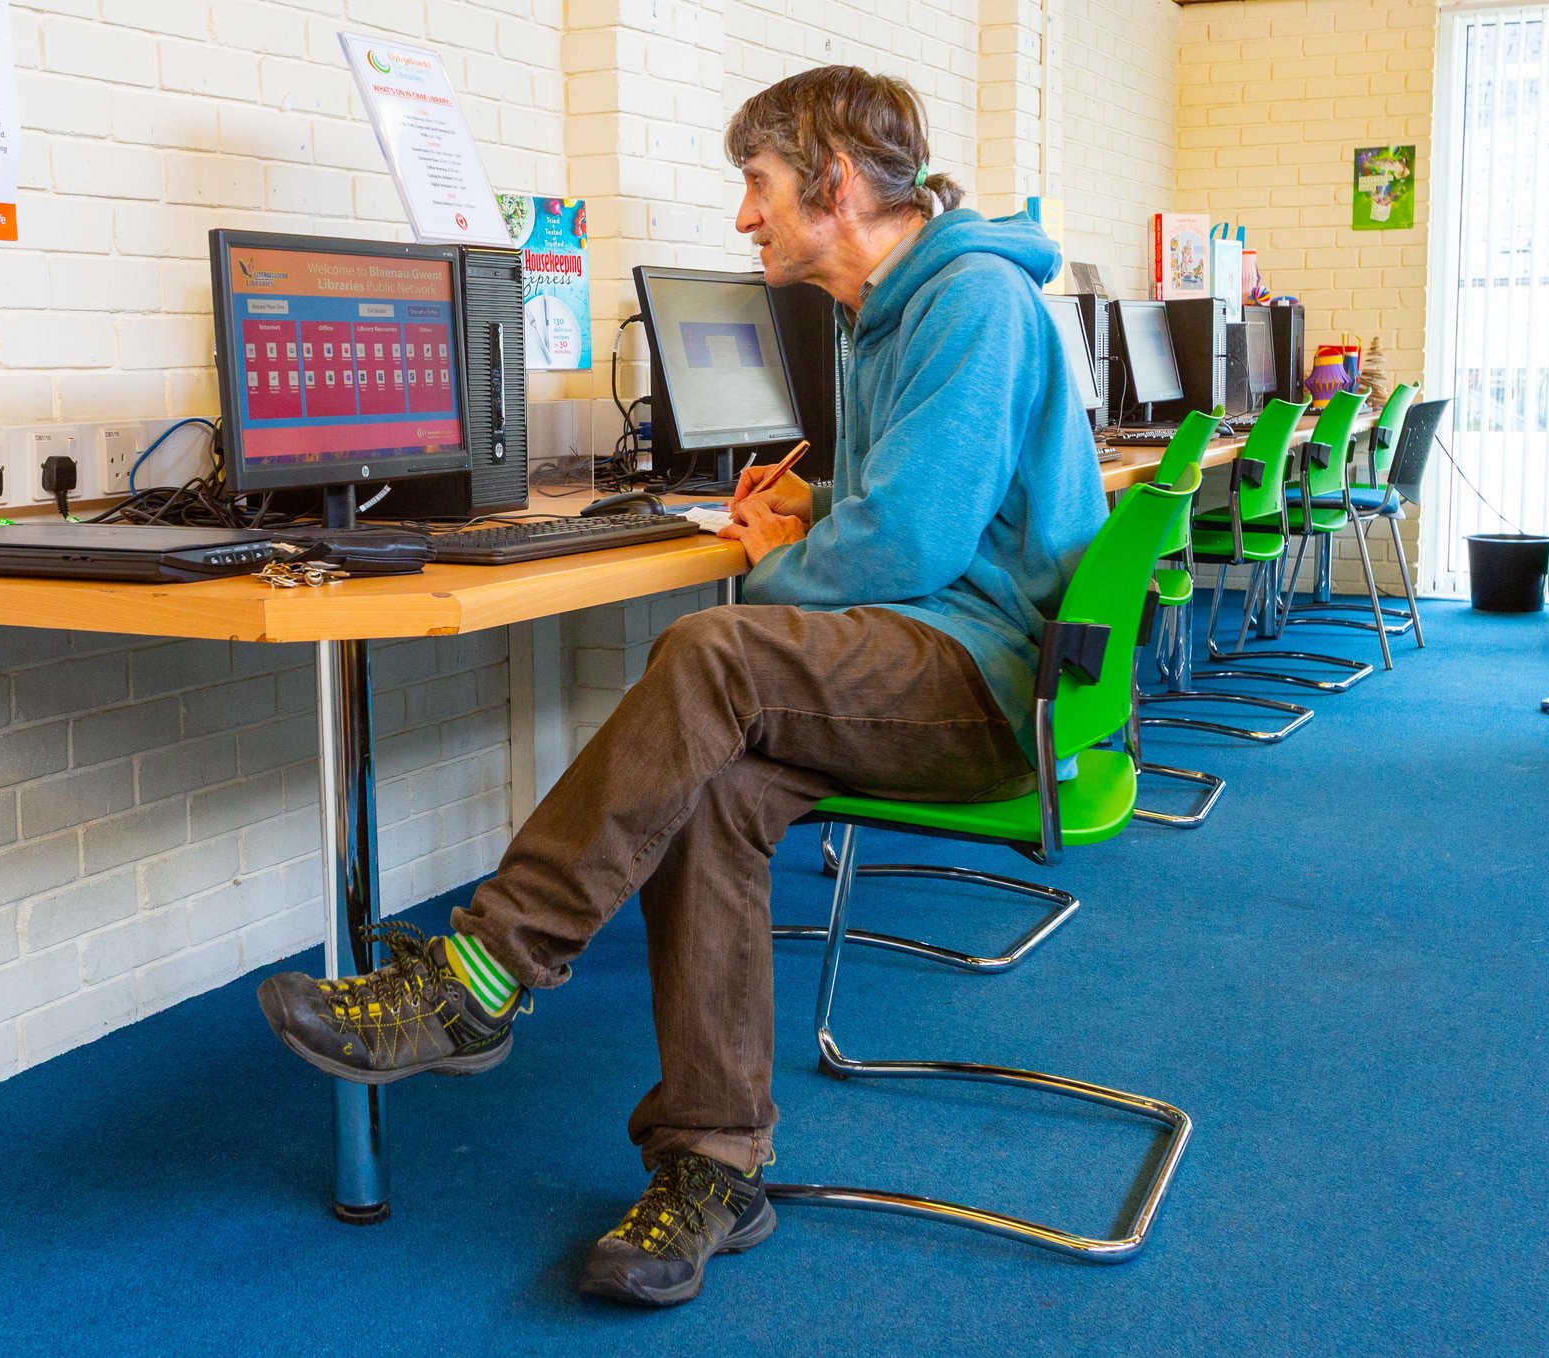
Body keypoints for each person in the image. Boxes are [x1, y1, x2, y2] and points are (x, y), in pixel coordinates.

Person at [256, 64, 1108, 1308]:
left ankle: (482, 977)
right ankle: (712, 1163)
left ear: (830, 184)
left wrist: (773, 576)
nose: (744, 217)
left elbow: (919, 548)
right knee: (709, 784)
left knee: (714, 652)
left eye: (756, 187)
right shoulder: (897, 307)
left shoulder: (970, 302)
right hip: (936, 647)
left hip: (983, 683)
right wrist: (821, 509)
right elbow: (930, 510)